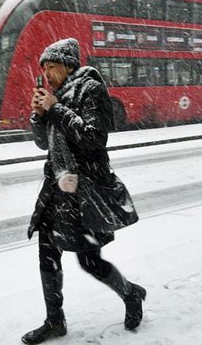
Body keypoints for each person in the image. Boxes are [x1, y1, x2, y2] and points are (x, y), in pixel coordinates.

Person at [22, 38, 146, 344]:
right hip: (57, 188)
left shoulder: (91, 89)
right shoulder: (57, 95)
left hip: (84, 191)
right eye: (44, 69)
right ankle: (55, 322)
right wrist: (39, 114)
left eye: (51, 67)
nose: (47, 74)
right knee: (47, 253)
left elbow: (93, 139)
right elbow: (44, 143)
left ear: (68, 64)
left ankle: (130, 294)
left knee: (88, 260)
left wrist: (56, 108)